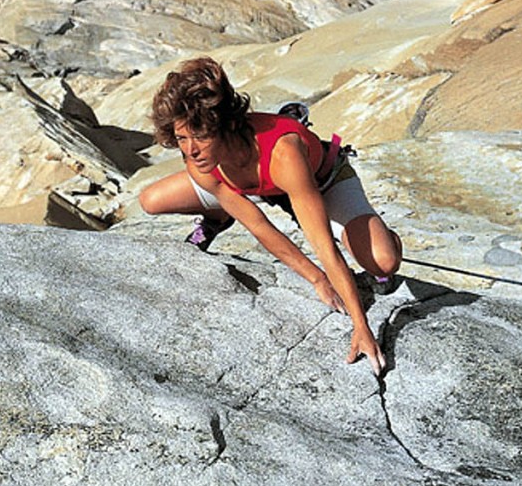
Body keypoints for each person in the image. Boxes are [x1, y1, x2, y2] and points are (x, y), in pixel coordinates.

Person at [139, 57, 402, 376]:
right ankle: (218, 217)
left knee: (382, 259)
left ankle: (385, 240)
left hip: (321, 180)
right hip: (252, 183)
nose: (191, 150)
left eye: (201, 136)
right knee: (150, 200)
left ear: (226, 125)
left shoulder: (284, 154)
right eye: (182, 138)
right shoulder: (200, 158)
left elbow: (324, 249)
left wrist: (361, 326)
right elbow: (259, 227)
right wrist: (315, 278)